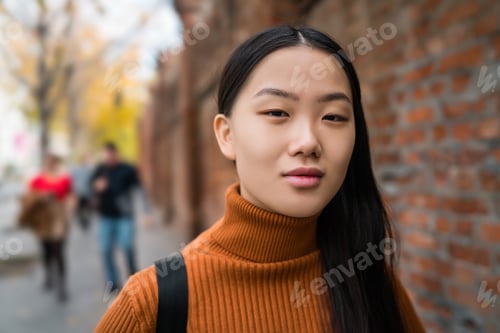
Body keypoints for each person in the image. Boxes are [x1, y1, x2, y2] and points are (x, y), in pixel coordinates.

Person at [95, 26, 425, 332]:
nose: (308, 141)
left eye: (333, 117)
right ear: (227, 135)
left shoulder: (372, 282)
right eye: (277, 113)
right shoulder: (151, 305)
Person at [90, 142, 148, 292]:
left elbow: (140, 189)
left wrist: (146, 212)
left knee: (127, 246)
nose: (109, 158)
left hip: (124, 216)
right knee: (105, 250)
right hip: (105, 217)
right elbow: (90, 188)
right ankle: (113, 282)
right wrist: (97, 187)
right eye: (106, 155)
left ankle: (133, 277)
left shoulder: (127, 169)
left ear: (116, 154)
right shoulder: (100, 170)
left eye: (111, 155)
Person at [17, 153, 72, 302]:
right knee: (46, 249)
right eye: (48, 161)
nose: (50, 163)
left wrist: (70, 209)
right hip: (43, 219)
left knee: (59, 250)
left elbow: (70, 195)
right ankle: (49, 274)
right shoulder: (38, 179)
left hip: (58, 216)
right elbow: (29, 195)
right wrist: (42, 195)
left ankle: (62, 285)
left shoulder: (64, 178)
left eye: (53, 161)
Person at [70, 154, 94, 231]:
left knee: (87, 208)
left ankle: (86, 220)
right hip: (79, 193)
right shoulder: (76, 169)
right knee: (79, 209)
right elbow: (72, 180)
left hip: (87, 193)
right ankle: (83, 221)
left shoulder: (90, 170)